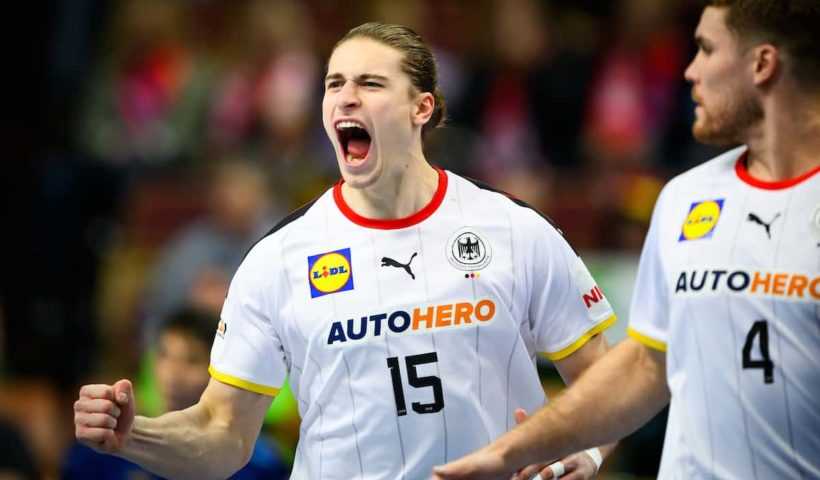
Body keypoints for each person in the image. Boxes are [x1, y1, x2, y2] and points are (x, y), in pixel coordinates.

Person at [74, 23, 618, 479]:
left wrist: (588, 453)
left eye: (370, 83)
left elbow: (607, 377)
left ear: (421, 107)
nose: (345, 97)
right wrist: (134, 435)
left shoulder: (513, 229)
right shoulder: (279, 257)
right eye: (334, 83)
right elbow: (222, 431)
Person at [433, 2, 820, 479]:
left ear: (762, 64)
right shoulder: (685, 197)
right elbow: (646, 363)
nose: (690, 70)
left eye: (706, 49)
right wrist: (514, 451)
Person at [65, 307, 288, 479]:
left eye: (191, 360)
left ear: (220, 372)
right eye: (164, 355)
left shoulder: (259, 463)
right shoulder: (99, 449)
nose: (173, 372)